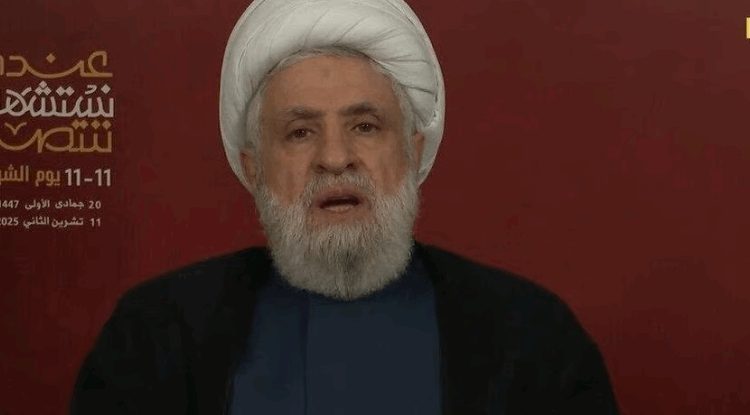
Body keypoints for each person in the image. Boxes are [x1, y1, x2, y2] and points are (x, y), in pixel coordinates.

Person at [71, 0, 620, 413]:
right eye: (300, 132)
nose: (335, 159)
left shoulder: (533, 339)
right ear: (254, 168)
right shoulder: (154, 337)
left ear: (413, 151)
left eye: (365, 126)